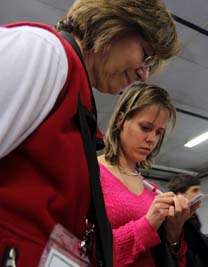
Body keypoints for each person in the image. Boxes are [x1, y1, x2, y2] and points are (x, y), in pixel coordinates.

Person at [0, 0, 179, 265]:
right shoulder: (44, 50)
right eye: (145, 55)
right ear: (116, 25)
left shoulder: (79, 99)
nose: (144, 73)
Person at [98, 82, 191, 267]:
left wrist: (174, 232)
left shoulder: (154, 191)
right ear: (120, 120)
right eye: (145, 128)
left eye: (158, 132)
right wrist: (148, 225)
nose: (152, 140)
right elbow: (87, 251)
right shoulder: (93, 173)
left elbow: (176, 259)